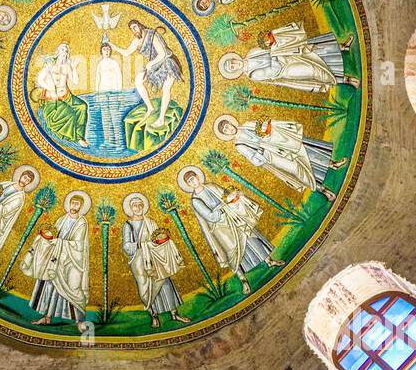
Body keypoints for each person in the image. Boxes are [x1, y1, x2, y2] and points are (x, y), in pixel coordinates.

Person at [177, 165, 283, 296]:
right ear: (188, 185)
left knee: (249, 236)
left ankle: (269, 260)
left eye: (193, 178)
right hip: (220, 229)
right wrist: (223, 207)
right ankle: (243, 279)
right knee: (232, 253)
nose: (193, 182)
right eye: (189, 182)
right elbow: (210, 216)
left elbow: (225, 195)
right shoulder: (195, 201)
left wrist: (233, 196)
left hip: (232, 218)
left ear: (198, 177)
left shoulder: (210, 186)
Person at [212, 114, 347, 201]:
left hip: (277, 141)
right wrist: (262, 151)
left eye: (228, 126)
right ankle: (321, 189)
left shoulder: (247, 124)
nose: (229, 129)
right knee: (295, 169)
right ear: (226, 134)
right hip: (271, 155)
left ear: (231, 123)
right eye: (226, 130)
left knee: (304, 150)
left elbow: (264, 124)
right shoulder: (239, 145)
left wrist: (267, 130)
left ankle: (332, 164)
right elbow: (253, 158)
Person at [221, 23, 358, 92]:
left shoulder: (251, 53)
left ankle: (342, 47)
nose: (235, 64)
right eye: (233, 67)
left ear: (235, 58)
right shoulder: (252, 75)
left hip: (283, 54)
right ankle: (345, 80)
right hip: (285, 69)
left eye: (233, 62)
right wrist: (275, 53)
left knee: (312, 48)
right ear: (235, 71)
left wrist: (272, 42)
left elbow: (267, 49)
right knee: (312, 71)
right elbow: (273, 71)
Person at [121, 193, 189, 328]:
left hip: (156, 258)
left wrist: (161, 241)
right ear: (130, 208)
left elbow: (158, 237)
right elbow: (126, 246)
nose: (137, 208)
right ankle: (154, 316)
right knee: (146, 288)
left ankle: (174, 313)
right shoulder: (128, 225)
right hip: (139, 261)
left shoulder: (150, 222)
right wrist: (141, 245)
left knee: (166, 284)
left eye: (140, 205)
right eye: (135, 206)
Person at [23, 191, 91, 328]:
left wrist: (59, 243)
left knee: (74, 290)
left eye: (77, 204)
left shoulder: (81, 223)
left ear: (81, 206)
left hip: (71, 262)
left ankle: (80, 321)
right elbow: (53, 234)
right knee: (49, 287)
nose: (74, 206)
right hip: (55, 259)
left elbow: (78, 245)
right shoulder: (62, 219)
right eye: (72, 203)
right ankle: (46, 317)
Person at [112, 19, 183, 129]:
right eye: (131, 29)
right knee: (138, 81)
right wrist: (115, 48)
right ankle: (150, 108)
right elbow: (127, 52)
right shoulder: (137, 40)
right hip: (154, 65)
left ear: (140, 26)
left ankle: (161, 119)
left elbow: (163, 54)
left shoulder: (152, 34)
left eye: (135, 27)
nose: (134, 30)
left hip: (168, 62)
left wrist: (151, 64)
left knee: (166, 88)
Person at [34, 42, 89, 146]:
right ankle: (75, 138)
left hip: (67, 96)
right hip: (53, 98)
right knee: (70, 114)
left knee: (82, 106)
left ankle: (80, 135)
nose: (65, 52)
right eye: (63, 50)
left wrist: (73, 68)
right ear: (58, 51)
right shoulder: (50, 64)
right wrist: (51, 89)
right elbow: (40, 80)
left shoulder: (67, 66)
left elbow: (76, 81)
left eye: (67, 51)